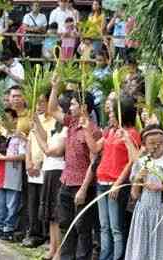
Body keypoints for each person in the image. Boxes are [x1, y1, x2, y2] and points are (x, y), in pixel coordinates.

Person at [48, 75, 101, 260]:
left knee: (82, 228)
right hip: (66, 181)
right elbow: (52, 109)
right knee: (65, 224)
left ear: (84, 108)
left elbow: (94, 162)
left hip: (82, 185)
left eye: (73, 105)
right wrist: (54, 87)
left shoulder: (93, 130)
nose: (70, 108)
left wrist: (84, 189)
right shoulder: (71, 123)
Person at [86, 96, 141, 260]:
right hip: (102, 182)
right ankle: (105, 255)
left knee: (116, 227)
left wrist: (118, 184)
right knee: (104, 226)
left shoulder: (131, 133)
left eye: (113, 112)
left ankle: (117, 257)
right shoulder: (111, 131)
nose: (109, 114)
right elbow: (95, 148)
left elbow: (132, 161)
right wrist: (86, 129)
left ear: (122, 113)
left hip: (115, 184)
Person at [125, 124, 163, 260]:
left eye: (159, 143)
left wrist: (160, 187)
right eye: (151, 143)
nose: (155, 147)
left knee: (160, 249)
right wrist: (137, 179)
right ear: (145, 145)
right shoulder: (141, 163)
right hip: (143, 212)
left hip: (162, 212)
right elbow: (135, 194)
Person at [0, 108, 27, 241]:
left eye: (8, 118)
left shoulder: (19, 137)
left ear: (15, 120)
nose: (5, 122)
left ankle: (9, 229)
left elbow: (24, 155)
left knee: (12, 204)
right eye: (3, 119)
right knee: (0, 204)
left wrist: (4, 158)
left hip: (13, 175)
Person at [32, 109, 67, 260]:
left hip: (58, 171)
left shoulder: (66, 128)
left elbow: (51, 150)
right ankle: (52, 249)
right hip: (49, 169)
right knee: (51, 215)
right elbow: (46, 136)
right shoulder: (56, 125)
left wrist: (36, 136)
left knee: (56, 213)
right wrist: (37, 123)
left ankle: (59, 251)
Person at [23, 94, 56, 248]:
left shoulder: (54, 121)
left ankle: (46, 235)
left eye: (42, 102)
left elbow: (49, 143)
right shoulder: (36, 119)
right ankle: (34, 232)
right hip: (32, 168)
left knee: (45, 203)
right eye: (37, 102)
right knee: (33, 202)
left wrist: (39, 163)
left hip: (44, 168)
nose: (39, 105)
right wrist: (28, 161)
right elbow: (29, 142)